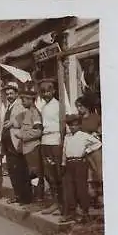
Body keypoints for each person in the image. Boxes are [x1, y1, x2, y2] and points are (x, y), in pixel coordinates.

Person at [60, 114, 102, 223]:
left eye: (75, 125)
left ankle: (85, 212)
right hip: (69, 163)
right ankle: (72, 212)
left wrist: (87, 151)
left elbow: (98, 143)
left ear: (79, 125)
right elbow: (64, 151)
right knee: (69, 189)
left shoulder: (83, 136)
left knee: (81, 188)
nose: (72, 127)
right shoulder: (67, 137)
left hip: (80, 163)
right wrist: (63, 163)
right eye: (70, 125)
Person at [0, 82, 29, 204]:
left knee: (20, 170)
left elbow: (25, 121)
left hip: (16, 142)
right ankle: (17, 195)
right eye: (7, 94)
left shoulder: (21, 105)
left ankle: (25, 197)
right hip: (7, 143)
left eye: (11, 93)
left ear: (17, 93)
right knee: (12, 171)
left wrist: (13, 123)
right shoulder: (7, 107)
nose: (9, 96)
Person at [38, 78, 64, 216]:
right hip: (45, 141)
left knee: (58, 172)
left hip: (56, 141)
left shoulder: (59, 105)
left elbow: (63, 125)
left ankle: (62, 204)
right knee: (49, 174)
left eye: (48, 91)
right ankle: (55, 202)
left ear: (53, 91)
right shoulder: (43, 108)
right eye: (43, 92)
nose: (46, 94)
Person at [15, 89, 45, 204]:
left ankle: (39, 199)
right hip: (27, 149)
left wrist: (22, 135)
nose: (22, 102)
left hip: (33, 148)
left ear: (31, 100)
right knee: (32, 176)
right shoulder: (28, 112)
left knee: (36, 175)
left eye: (24, 100)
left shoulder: (35, 113)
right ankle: (35, 198)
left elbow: (38, 131)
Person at [75, 95, 103, 208]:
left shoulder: (95, 117)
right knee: (88, 174)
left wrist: (97, 133)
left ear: (86, 106)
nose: (78, 109)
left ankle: (100, 196)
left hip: (95, 148)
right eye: (77, 106)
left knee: (98, 171)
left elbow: (101, 129)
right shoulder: (78, 119)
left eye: (80, 106)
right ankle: (91, 197)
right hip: (84, 149)